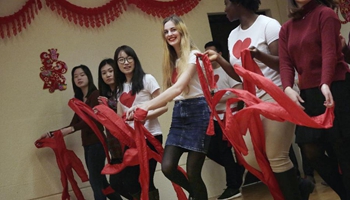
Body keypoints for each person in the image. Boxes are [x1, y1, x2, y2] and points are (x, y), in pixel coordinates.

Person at [205, 0, 315, 199]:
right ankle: (300, 186)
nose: (225, 9)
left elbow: (285, 63)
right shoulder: (232, 35)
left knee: (276, 155)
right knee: (250, 156)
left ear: (238, 3)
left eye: (226, 3)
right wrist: (219, 59)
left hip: (277, 95)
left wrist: (259, 56)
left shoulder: (268, 25)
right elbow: (240, 75)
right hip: (253, 102)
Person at [126, 15, 211, 200]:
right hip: (180, 113)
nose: (170, 34)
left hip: (199, 112)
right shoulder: (171, 60)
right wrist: (141, 109)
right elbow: (168, 97)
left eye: (173, 29)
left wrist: (145, 105)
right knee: (168, 166)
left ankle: (197, 196)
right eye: (166, 32)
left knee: (193, 171)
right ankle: (196, 195)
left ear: (182, 30)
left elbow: (179, 88)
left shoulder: (193, 55)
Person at [279, 0, 350, 199]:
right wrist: (287, 87)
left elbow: (330, 52)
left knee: (342, 150)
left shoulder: (325, 14)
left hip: (335, 87)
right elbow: (285, 62)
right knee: (310, 149)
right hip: (308, 94)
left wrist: (325, 82)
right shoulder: (287, 28)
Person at [40, 65, 122, 200]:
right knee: (102, 182)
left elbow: (94, 120)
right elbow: (73, 124)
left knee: (95, 182)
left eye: (82, 75)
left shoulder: (95, 94)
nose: (79, 78)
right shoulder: (79, 101)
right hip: (88, 145)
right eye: (76, 76)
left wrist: (70, 129)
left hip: (97, 143)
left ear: (88, 76)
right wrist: (52, 134)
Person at [114, 45, 168, 200]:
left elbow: (164, 106)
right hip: (131, 141)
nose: (126, 62)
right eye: (121, 59)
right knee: (130, 181)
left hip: (150, 136)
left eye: (129, 58)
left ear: (135, 59)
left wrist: (144, 116)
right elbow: (120, 117)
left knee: (147, 181)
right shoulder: (120, 87)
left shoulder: (147, 79)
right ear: (117, 64)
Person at [204, 41, 245, 199]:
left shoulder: (227, 70)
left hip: (230, 116)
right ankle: (237, 171)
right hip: (213, 119)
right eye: (206, 54)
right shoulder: (205, 75)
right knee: (210, 149)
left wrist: (218, 98)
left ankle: (232, 186)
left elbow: (239, 93)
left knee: (225, 151)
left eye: (211, 53)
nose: (208, 57)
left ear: (219, 54)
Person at [97, 58, 133, 200]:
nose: (108, 75)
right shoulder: (105, 96)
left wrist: (106, 107)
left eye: (110, 71)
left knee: (131, 183)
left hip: (128, 146)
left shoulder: (124, 90)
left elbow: (121, 117)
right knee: (116, 184)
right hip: (115, 148)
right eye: (104, 73)